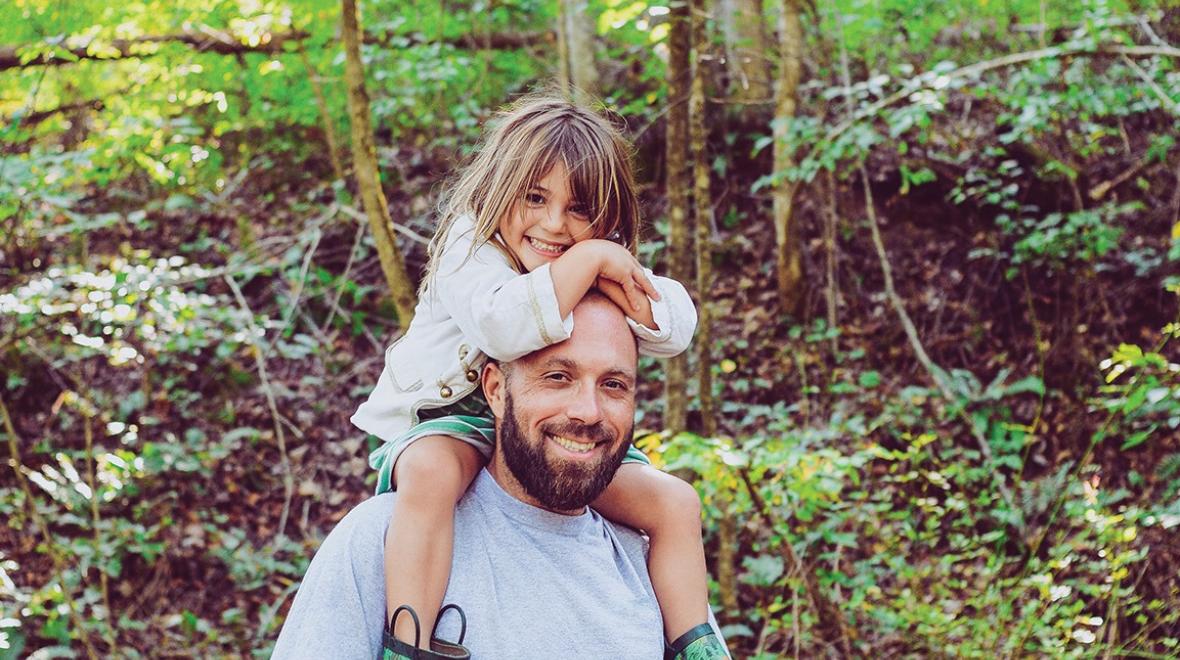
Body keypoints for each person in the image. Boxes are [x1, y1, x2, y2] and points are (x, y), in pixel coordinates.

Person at [344, 95, 724, 657]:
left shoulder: (597, 252)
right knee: (429, 473)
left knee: (675, 502)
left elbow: (676, 329)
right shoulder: (468, 246)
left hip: (547, 436)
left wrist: (608, 267)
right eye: (535, 197)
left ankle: (697, 647)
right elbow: (503, 327)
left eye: (579, 209)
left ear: (607, 219)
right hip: (450, 421)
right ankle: (409, 644)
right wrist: (587, 264)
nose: (554, 224)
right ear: (499, 189)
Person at [273, 295, 728, 659]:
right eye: (557, 377)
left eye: (613, 385)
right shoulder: (383, 538)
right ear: (494, 390)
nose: (588, 411)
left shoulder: (647, 562)